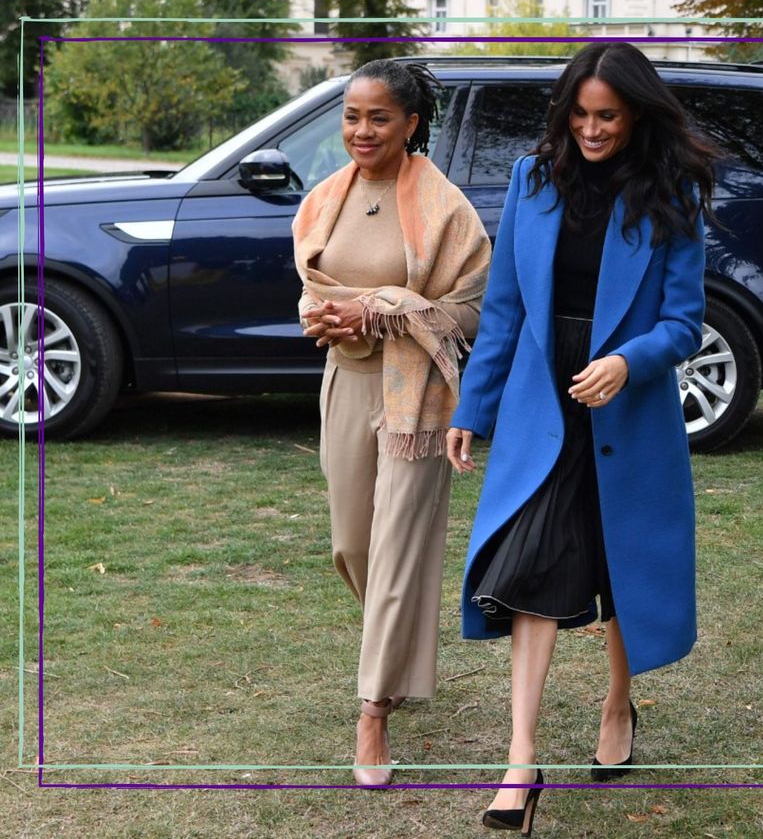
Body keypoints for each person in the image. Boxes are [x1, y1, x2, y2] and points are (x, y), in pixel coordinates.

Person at [446, 41, 716, 834]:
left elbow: (684, 322)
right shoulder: (533, 182)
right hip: (542, 399)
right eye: (582, 114)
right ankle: (519, 759)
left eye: (609, 116)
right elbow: (503, 309)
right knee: (530, 561)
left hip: (625, 406)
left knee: (620, 560)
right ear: (565, 111)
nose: (593, 130)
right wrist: (474, 408)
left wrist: (628, 364)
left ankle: (619, 700)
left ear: (634, 116)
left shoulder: (672, 196)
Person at [293, 58, 490, 785]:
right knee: (352, 544)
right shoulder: (323, 200)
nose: (362, 130)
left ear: (411, 123)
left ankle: (372, 711)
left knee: (402, 548)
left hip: (419, 398)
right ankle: (396, 648)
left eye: (379, 117)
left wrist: (383, 306)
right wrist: (329, 317)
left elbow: (471, 308)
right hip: (346, 382)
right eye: (351, 115)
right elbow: (314, 289)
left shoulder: (446, 208)